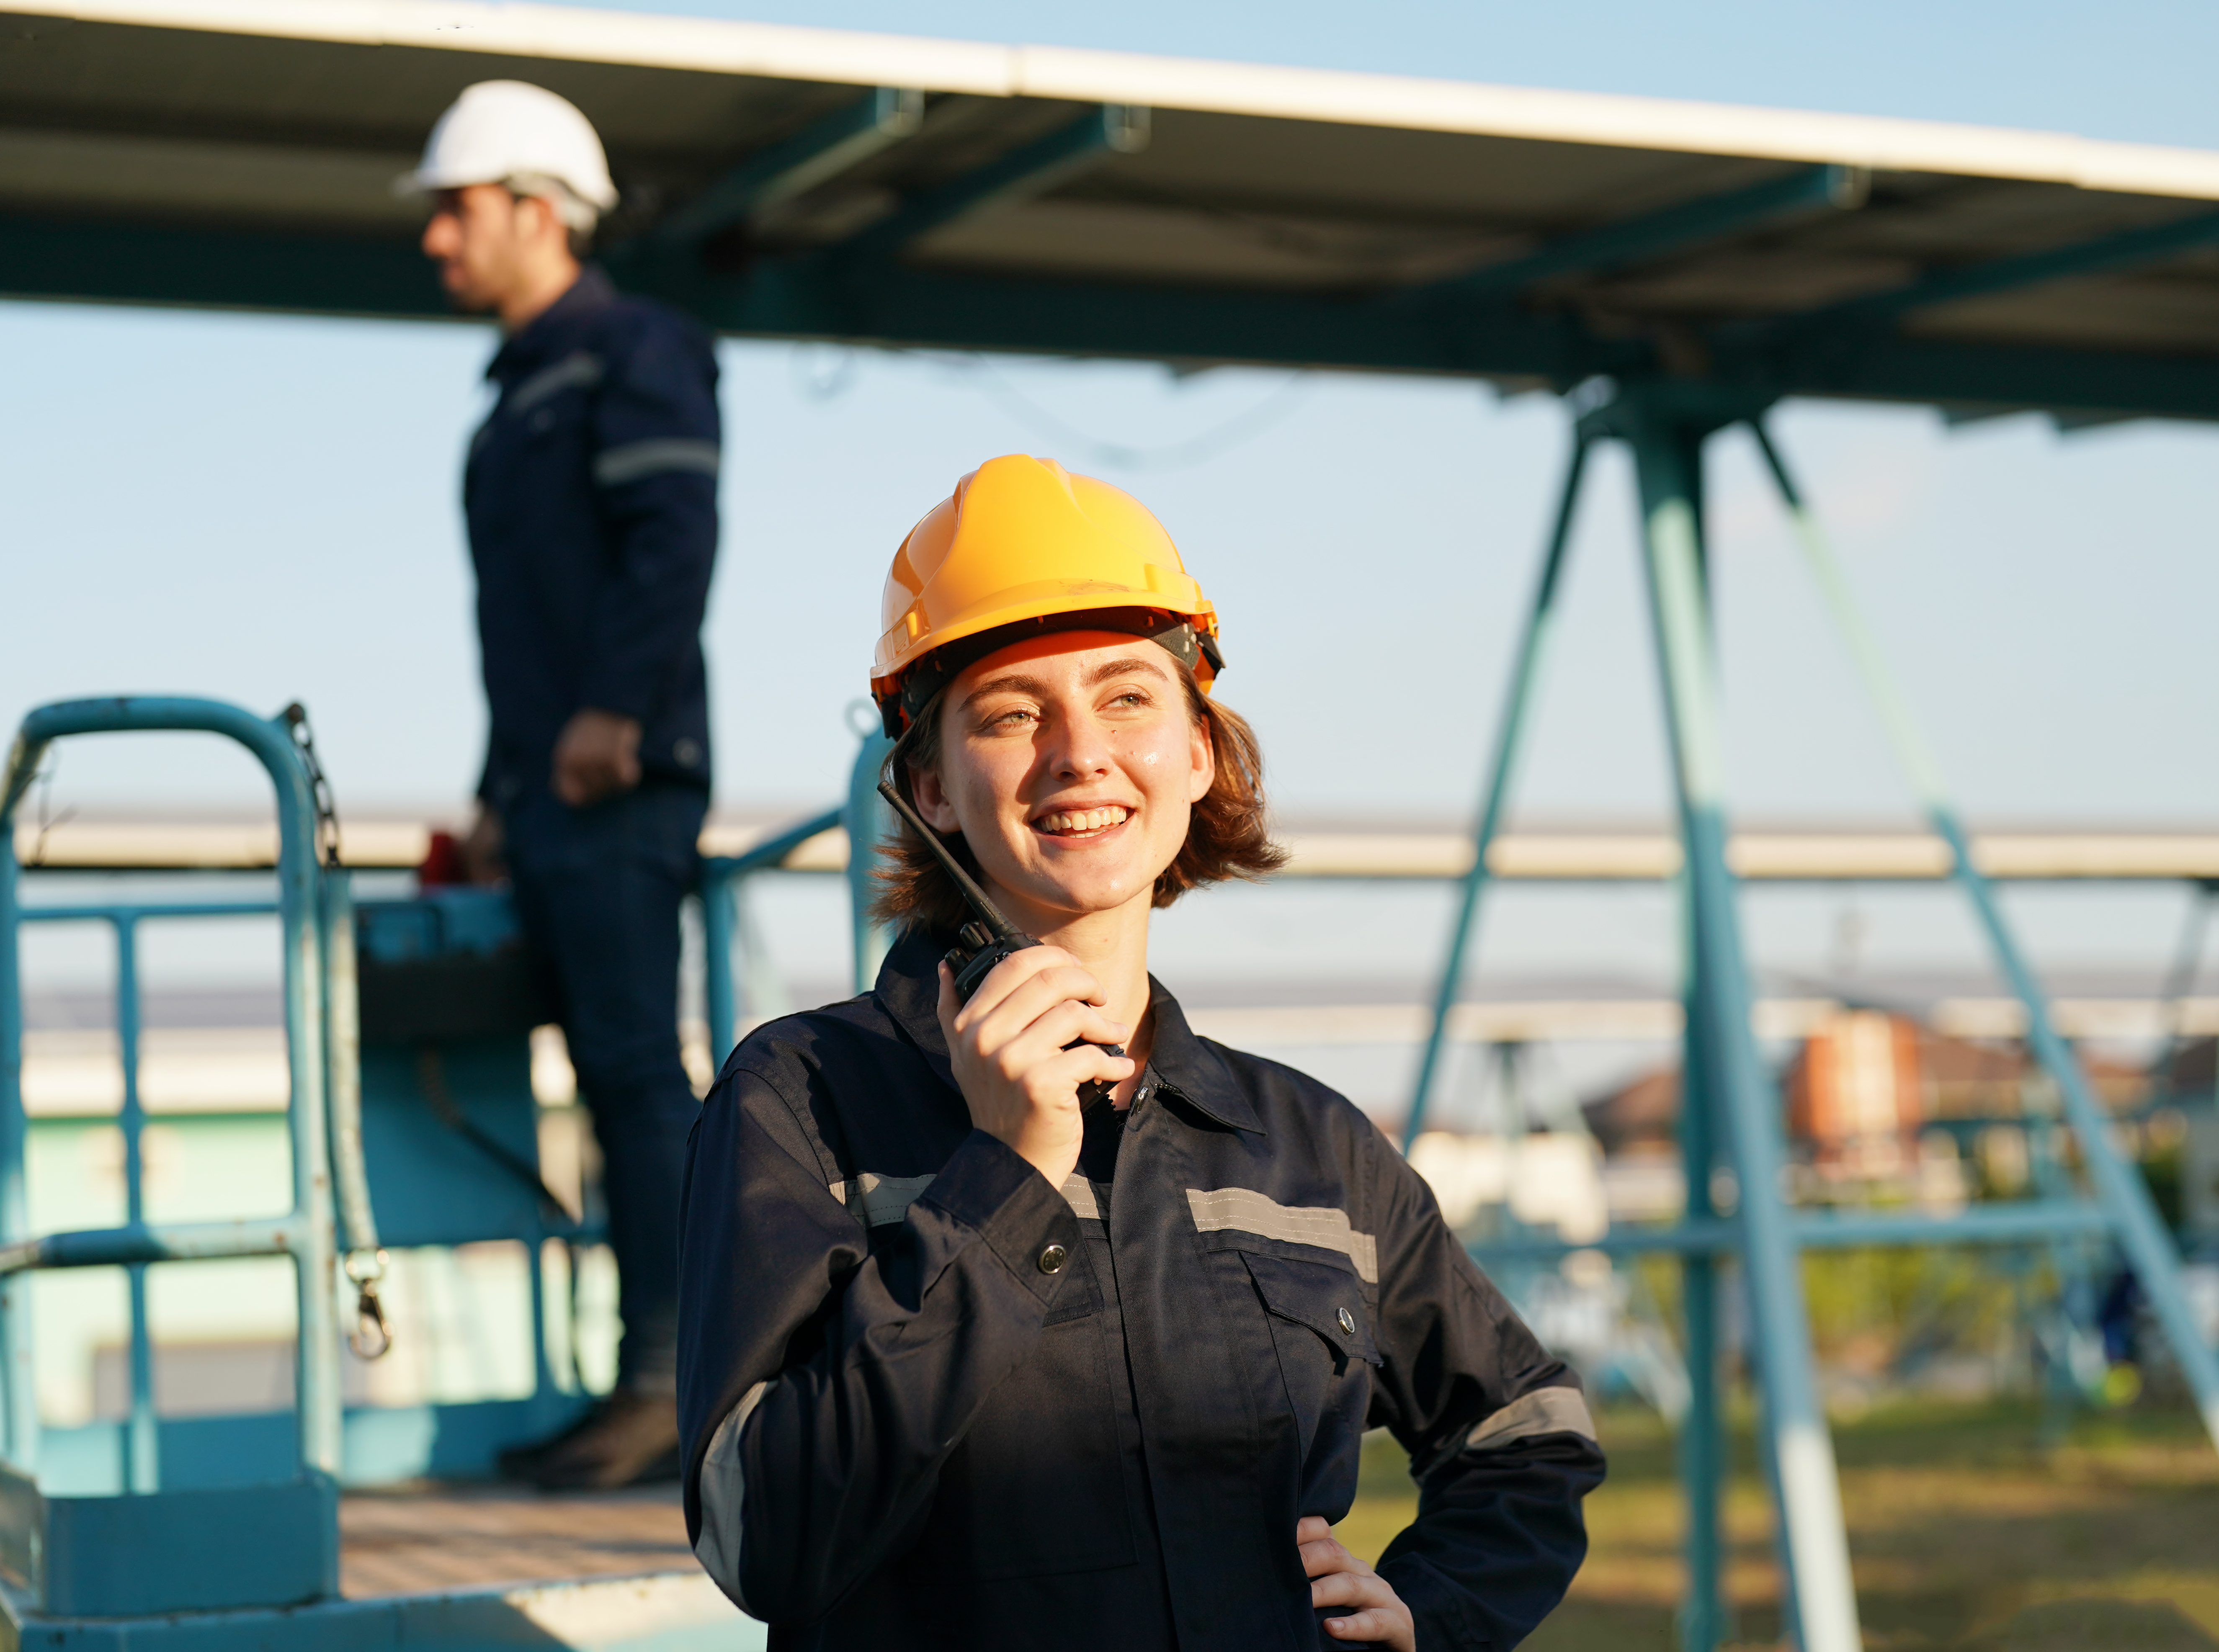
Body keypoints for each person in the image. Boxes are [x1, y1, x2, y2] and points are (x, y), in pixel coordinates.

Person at [678, 455, 1603, 1649]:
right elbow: (766, 1540)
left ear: (1199, 751)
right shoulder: (799, 1101)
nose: (1079, 753)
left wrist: (1431, 1609)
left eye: (1127, 697)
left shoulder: (1307, 1145)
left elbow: (1527, 1433)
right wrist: (1002, 1181)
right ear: (929, 788)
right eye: (1011, 714)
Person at [404, 80, 722, 1490]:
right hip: (547, 790)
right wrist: (493, 792)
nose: (437, 241)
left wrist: (609, 718)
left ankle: (672, 1385)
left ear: (538, 209)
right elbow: (523, 625)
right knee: (605, 1084)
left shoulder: (629, 349)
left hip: (619, 781)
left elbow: (672, 540)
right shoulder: (519, 389)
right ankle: (633, 1378)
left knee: (639, 1079)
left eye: (455, 211)